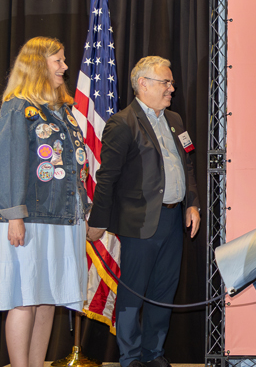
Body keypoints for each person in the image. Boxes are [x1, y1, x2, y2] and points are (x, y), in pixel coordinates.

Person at [87, 56, 200, 367]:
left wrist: (192, 203)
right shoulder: (122, 123)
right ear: (143, 84)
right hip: (139, 223)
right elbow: (107, 177)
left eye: (171, 83)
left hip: (173, 220)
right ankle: (130, 356)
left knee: (164, 291)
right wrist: (98, 221)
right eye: (166, 82)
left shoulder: (175, 119)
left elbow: (186, 165)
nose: (172, 88)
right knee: (134, 293)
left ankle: (154, 354)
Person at [0, 37, 92, 367]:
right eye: (59, 61)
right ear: (39, 64)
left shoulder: (62, 111)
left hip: (63, 218)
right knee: (23, 299)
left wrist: (83, 211)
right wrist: (14, 217)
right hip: (29, 219)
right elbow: (9, 164)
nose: (65, 67)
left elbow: (74, 167)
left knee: (47, 299)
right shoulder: (17, 107)